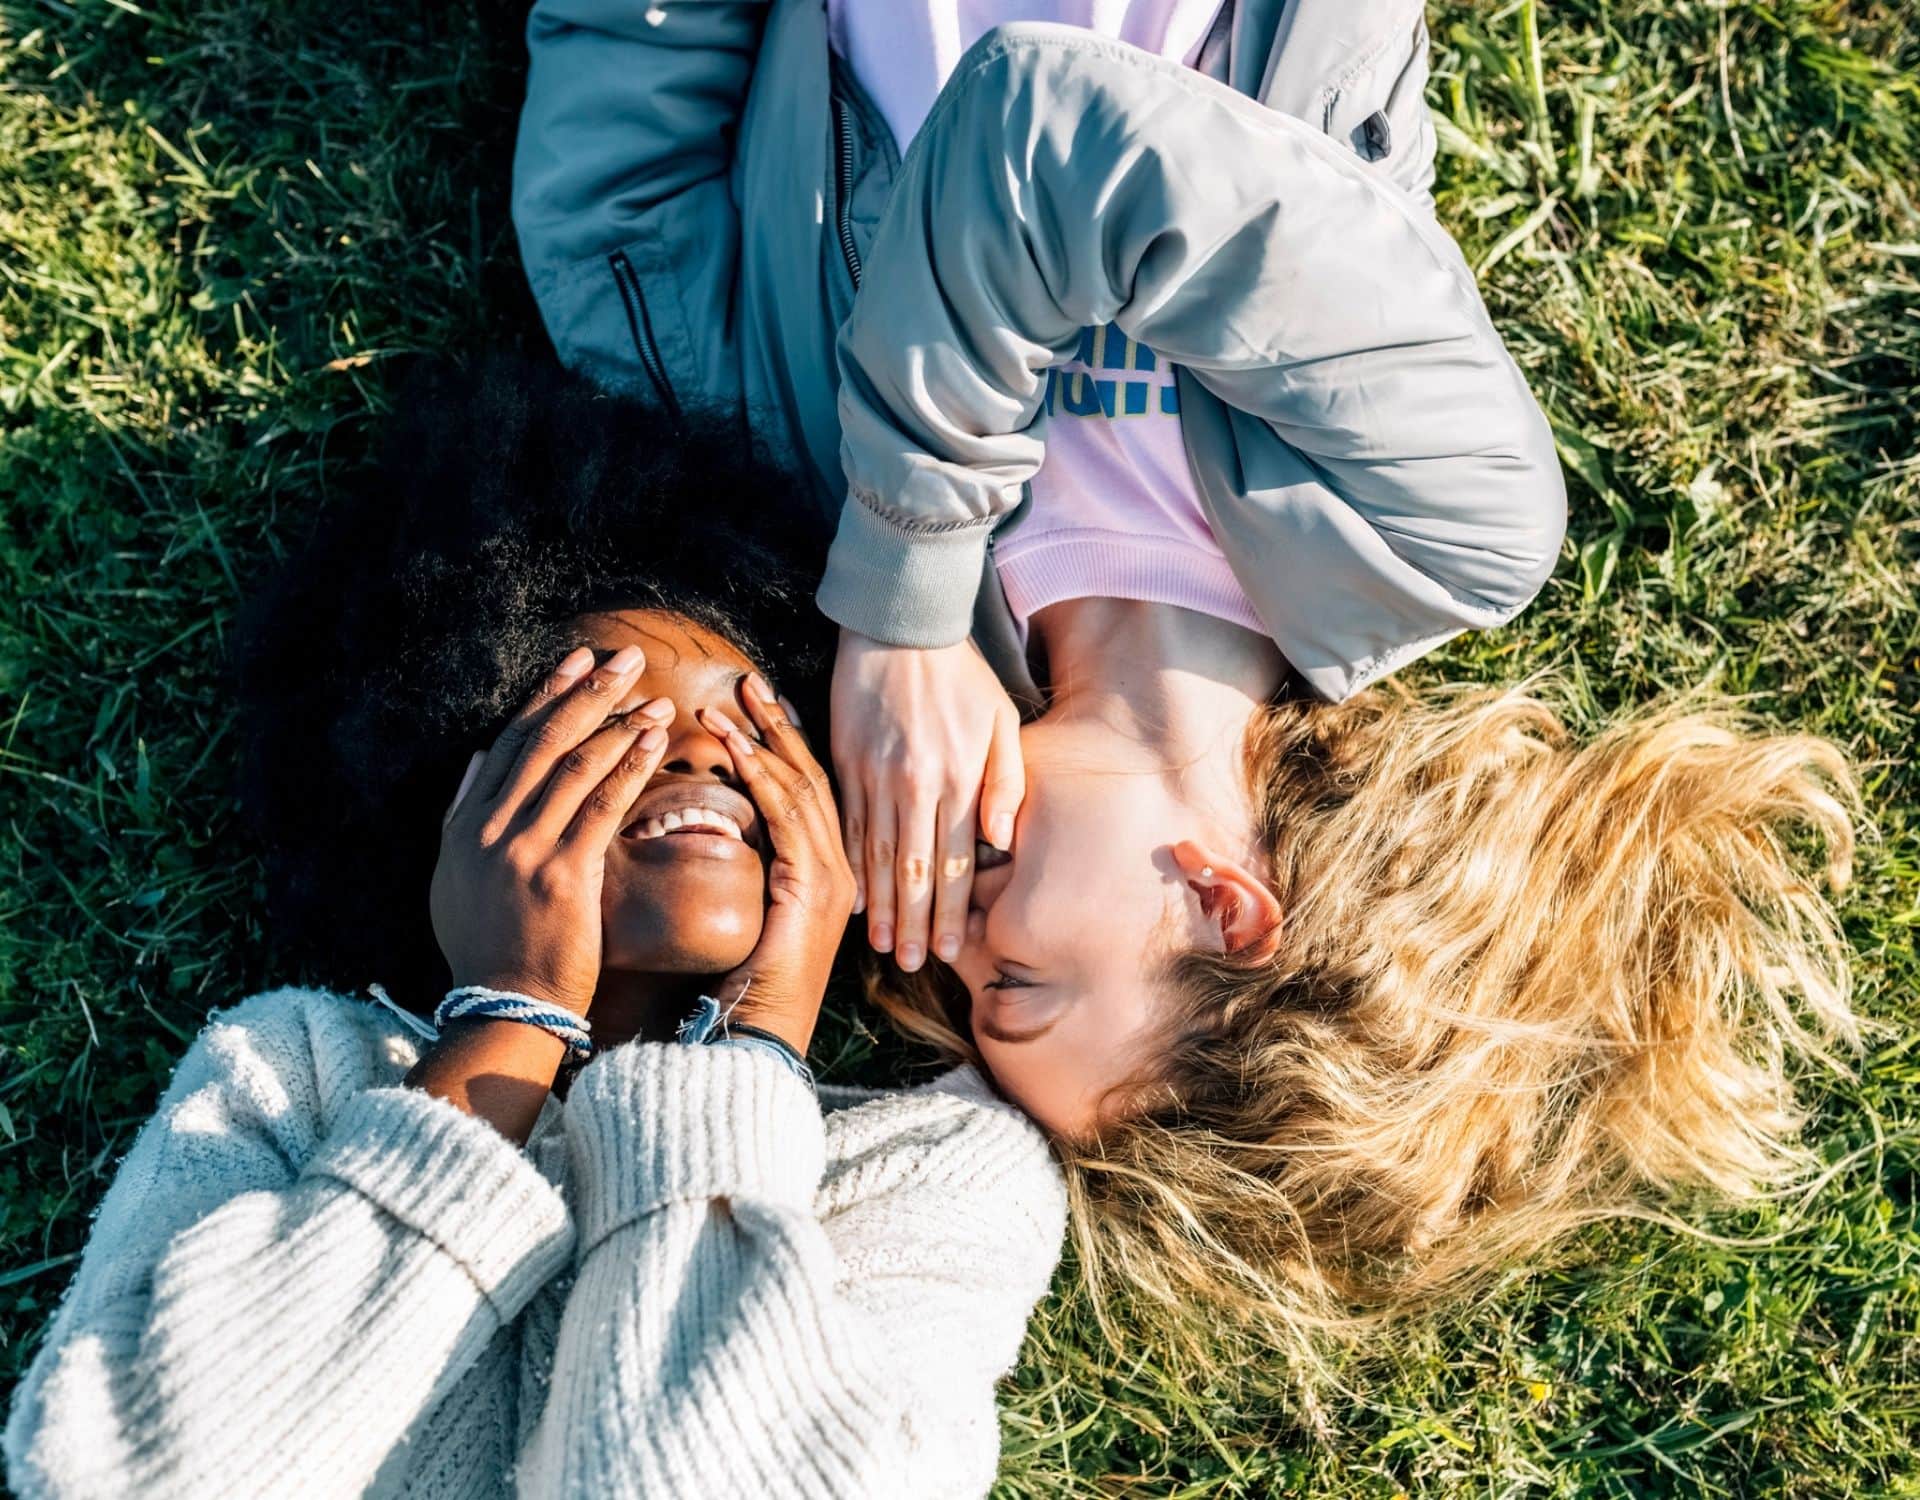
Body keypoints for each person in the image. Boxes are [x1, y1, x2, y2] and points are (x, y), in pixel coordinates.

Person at [513, 0, 1856, 1374]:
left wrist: (873, 585)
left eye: (966, 996)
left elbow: (615, 206)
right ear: (1222, 900)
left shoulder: (800, 525)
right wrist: (909, 599)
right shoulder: (1443, 527)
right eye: (1019, 982)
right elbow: (1034, 125)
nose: (944, 944)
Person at [2, 362, 1066, 1500]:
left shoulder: (938, 1177)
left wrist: (753, 1061)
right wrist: (512, 1017)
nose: (703, 751)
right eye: (609, 720)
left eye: (760, 721)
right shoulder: (287, 1076)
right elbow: (117, 1475)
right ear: (455, 803)